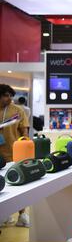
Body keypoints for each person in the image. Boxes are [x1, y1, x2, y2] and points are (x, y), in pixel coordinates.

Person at [0, 84, 30, 227]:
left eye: (11, 95)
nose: (9, 98)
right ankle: (4, 215)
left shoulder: (18, 110)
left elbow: (24, 132)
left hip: (14, 152)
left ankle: (22, 214)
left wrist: (26, 147)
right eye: (6, 95)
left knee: (18, 184)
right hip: (0, 155)